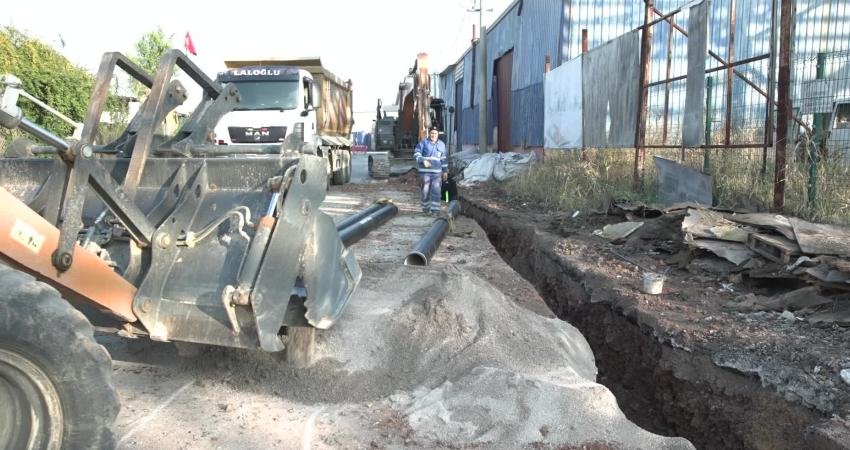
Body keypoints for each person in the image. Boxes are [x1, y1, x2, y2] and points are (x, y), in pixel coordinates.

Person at [414, 125, 448, 215]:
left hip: (437, 174)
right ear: (429, 134)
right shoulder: (423, 143)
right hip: (425, 173)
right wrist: (422, 160)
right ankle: (426, 209)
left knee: (436, 191)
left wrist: (445, 171)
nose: (433, 135)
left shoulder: (441, 144)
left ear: (438, 134)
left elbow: (443, 159)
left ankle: (435, 211)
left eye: (435, 133)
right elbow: (416, 154)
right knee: (425, 191)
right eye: (432, 133)